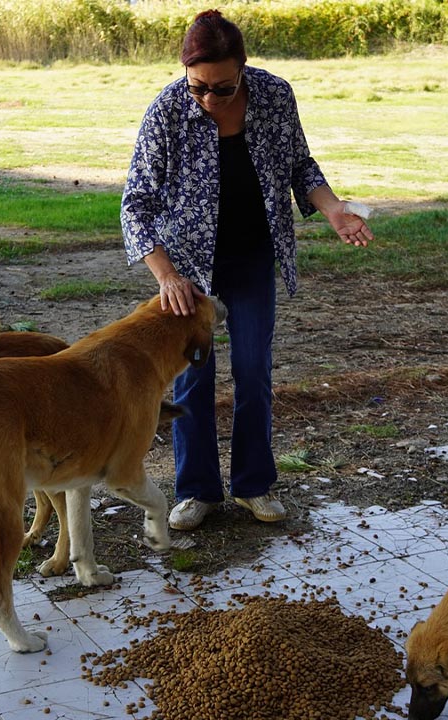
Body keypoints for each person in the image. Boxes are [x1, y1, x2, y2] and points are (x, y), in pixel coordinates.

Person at [120, 9, 372, 531]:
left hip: (254, 256)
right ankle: (196, 491)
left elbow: (301, 166)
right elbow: (136, 204)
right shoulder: (166, 112)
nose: (210, 99)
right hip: (189, 271)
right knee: (193, 380)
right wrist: (166, 276)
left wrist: (333, 210)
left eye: (223, 87)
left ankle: (254, 485)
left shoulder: (275, 96)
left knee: (254, 373)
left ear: (244, 68)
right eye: (199, 88)